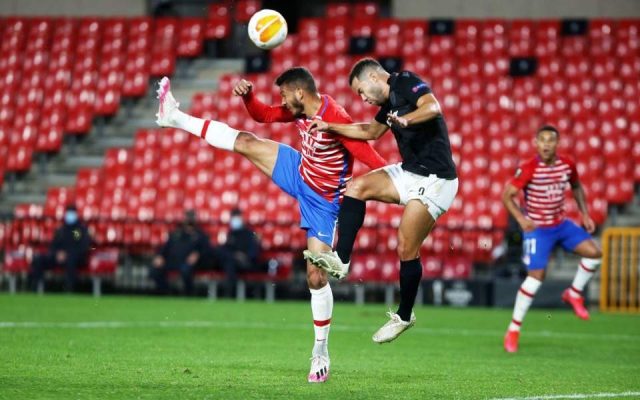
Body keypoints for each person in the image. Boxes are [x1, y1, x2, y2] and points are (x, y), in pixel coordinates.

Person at [155, 68, 386, 383]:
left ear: (299, 92)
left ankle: (321, 350)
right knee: (248, 141)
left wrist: (404, 184)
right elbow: (262, 116)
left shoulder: (337, 120)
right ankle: (174, 117)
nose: (282, 101)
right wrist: (249, 97)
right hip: (299, 171)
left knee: (316, 275)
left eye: (283, 95)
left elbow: (373, 160)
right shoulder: (302, 110)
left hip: (323, 203)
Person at [304, 58, 459, 344]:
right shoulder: (388, 106)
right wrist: (330, 127)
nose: (362, 99)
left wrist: (406, 120)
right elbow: (370, 133)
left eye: (361, 91)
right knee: (357, 186)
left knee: (405, 246)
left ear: (375, 76)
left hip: (437, 180)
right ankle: (341, 259)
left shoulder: (405, 81)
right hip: (410, 172)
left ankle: (404, 315)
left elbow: (433, 107)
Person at [501, 125, 602, 353]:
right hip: (537, 229)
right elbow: (506, 196)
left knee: (595, 254)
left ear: (557, 143)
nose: (546, 144)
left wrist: (584, 213)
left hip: (561, 224)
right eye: (542, 140)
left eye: (551, 140)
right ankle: (513, 330)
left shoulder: (567, 164)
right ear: (536, 144)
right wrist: (520, 219)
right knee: (536, 278)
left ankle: (574, 293)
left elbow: (576, 186)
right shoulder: (528, 168)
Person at [30, 204, 91, 292]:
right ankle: (35, 287)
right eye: (68, 213)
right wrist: (57, 254)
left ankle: (70, 289)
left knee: (71, 260)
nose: (70, 215)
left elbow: (82, 247)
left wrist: (67, 254)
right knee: (39, 259)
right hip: (58, 257)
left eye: (72, 213)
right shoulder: (61, 230)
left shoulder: (79, 230)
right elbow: (53, 246)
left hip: (74, 257)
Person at [150, 210, 211, 295]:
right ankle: (166, 292)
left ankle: (188, 294)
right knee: (155, 270)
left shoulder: (201, 235)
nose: (189, 220)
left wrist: (198, 254)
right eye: (187, 217)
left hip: (189, 263)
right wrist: (160, 256)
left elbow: (207, 250)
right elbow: (165, 247)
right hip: (172, 261)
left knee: (185, 270)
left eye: (191, 217)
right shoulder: (176, 233)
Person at [216, 207, 262, 296]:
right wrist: (234, 255)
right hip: (232, 261)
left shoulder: (249, 234)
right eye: (234, 217)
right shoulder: (230, 234)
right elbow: (224, 249)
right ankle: (229, 292)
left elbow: (254, 252)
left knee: (230, 264)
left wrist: (243, 256)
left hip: (246, 262)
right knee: (228, 262)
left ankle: (229, 293)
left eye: (237, 216)